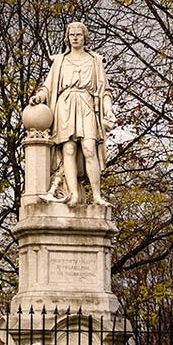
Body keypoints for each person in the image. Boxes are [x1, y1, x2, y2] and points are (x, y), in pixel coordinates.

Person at [30, 21, 115, 206]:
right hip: (65, 105)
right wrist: (39, 97)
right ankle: (74, 195)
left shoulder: (95, 61)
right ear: (67, 38)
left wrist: (108, 111)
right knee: (68, 149)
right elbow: (48, 86)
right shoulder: (60, 61)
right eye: (72, 35)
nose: (75, 38)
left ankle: (97, 196)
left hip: (86, 104)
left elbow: (105, 91)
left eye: (78, 35)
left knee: (89, 149)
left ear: (85, 37)